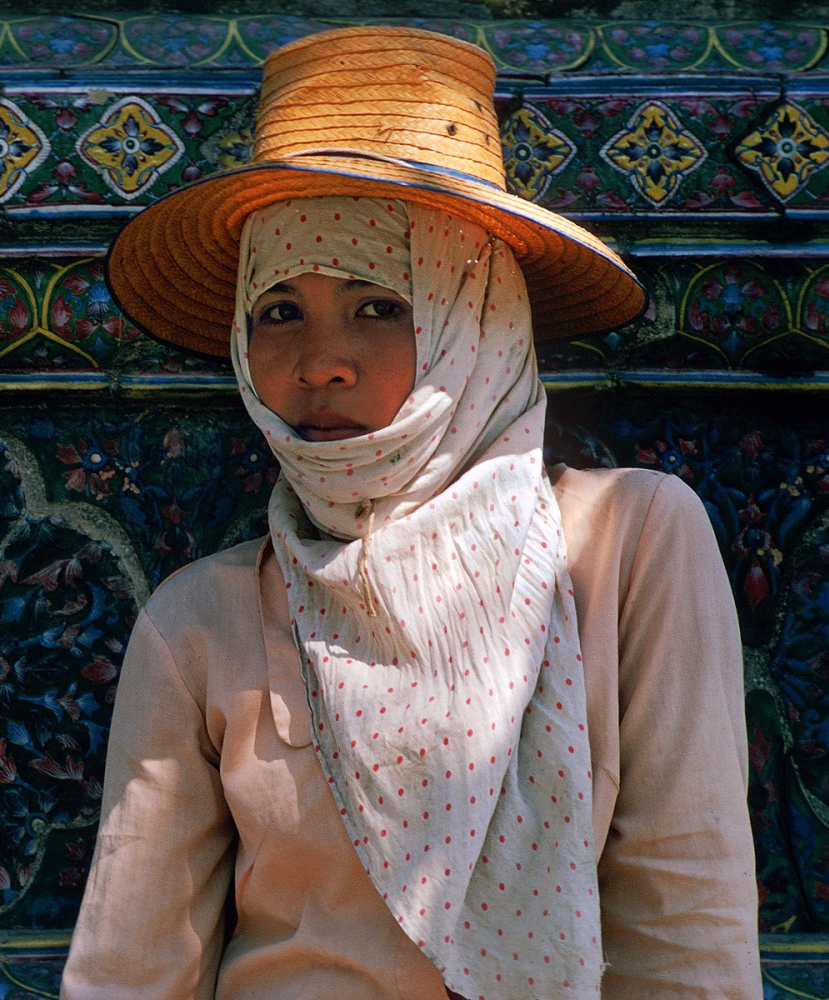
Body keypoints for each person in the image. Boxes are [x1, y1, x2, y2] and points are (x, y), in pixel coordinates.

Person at [60, 25, 761, 1000]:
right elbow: (129, 972)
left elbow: (687, 923)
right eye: (280, 311)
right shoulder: (197, 622)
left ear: (474, 313)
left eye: (379, 304)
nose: (320, 361)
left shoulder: (630, 546)